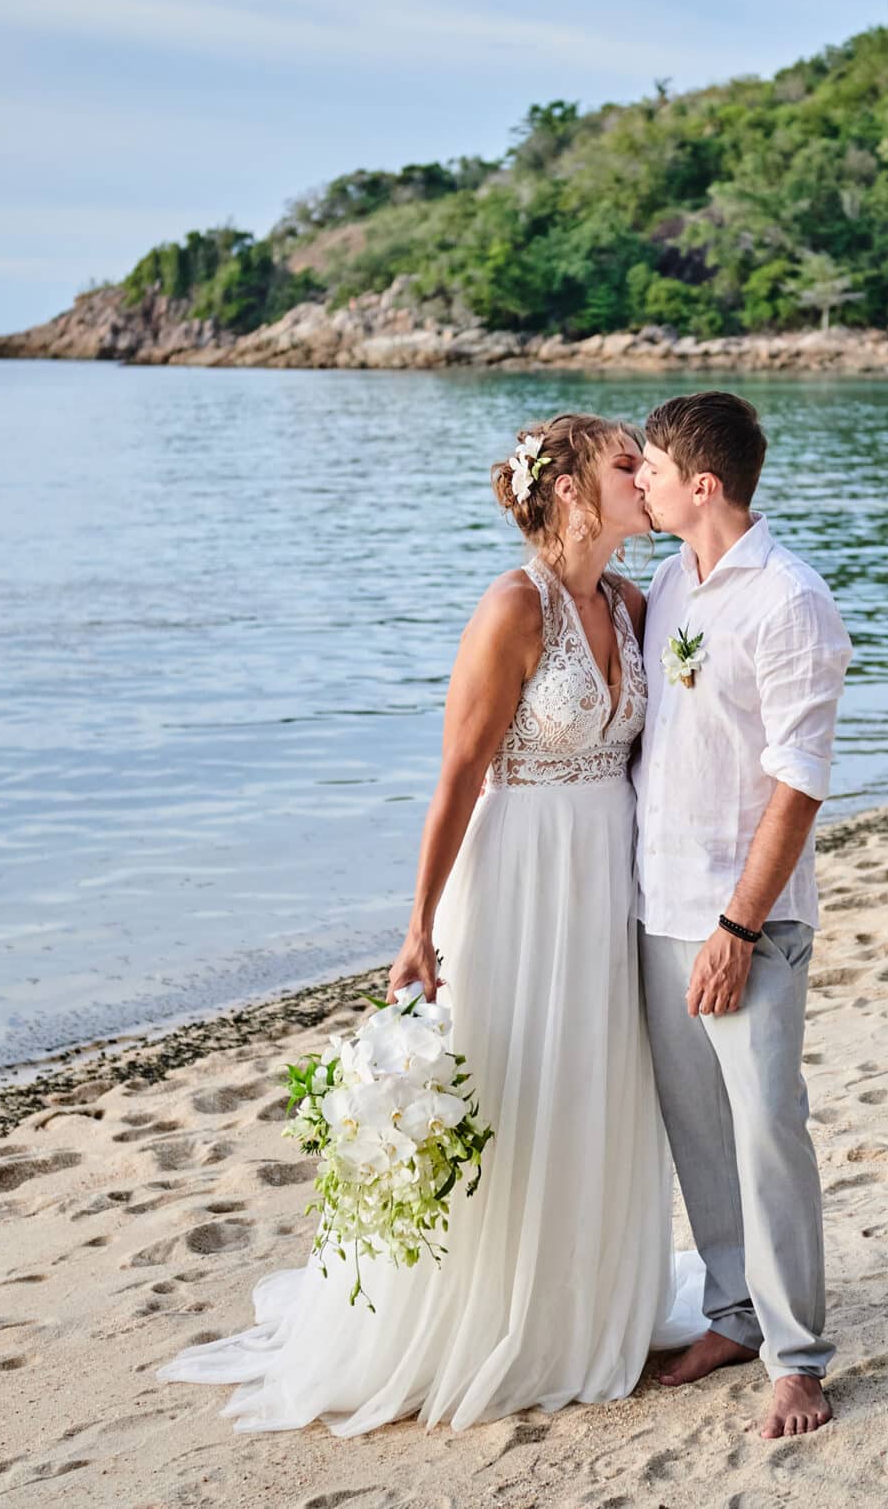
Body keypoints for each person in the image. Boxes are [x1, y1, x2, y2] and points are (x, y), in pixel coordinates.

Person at [156, 413, 702, 1433]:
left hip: (604, 880)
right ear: (574, 491)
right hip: (515, 879)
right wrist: (416, 929)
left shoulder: (631, 600)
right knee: (510, 1084)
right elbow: (456, 776)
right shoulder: (512, 608)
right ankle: (489, 1315)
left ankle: (582, 1306)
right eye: (628, 465)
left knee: (593, 1082)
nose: (648, 478)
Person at [632, 392, 852, 1441]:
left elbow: (797, 783)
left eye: (652, 471)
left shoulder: (788, 602)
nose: (639, 483)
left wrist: (738, 928)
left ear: (701, 486)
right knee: (699, 1135)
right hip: (656, 906)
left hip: (743, 921)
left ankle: (797, 1357)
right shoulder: (674, 580)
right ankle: (731, 1313)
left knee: (767, 1131)